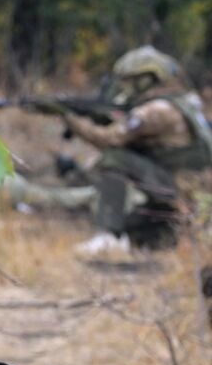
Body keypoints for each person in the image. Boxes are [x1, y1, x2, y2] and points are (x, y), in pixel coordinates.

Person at [62, 46, 212, 254]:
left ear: (146, 80)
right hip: (194, 193)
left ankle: (109, 235)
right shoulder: (183, 102)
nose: (124, 87)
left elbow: (109, 140)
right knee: (142, 232)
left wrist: (70, 120)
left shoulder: (155, 110)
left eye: (129, 80)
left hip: (180, 189)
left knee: (114, 158)